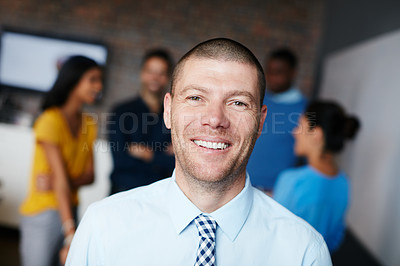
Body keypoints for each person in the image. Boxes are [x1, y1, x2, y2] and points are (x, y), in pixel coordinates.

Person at [66, 38, 332, 265]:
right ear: (168, 111)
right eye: (196, 98)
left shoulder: (304, 252)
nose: (214, 119)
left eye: (238, 102)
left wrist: (149, 155)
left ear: (260, 122)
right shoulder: (102, 226)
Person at [19, 56, 103, 266]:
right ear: (74, 80)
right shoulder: (49, 120)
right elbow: (65, 179)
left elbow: (90, 176)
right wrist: (70, 232)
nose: (99, 86)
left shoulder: (89, 124)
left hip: (71, 209)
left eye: (99, 80)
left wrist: (62, 181)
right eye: (92, 79)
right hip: (43, 214)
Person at [274, 100, 360, 252]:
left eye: (301, 126)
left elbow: (271, 234)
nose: (295, 132)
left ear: (316, 135)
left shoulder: (292, 181)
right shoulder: (343, 184)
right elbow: (335, 237)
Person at [108, 49, 175, 194]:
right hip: (123, 193)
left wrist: (148, 155)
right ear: (142, 73)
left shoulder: (173, 115)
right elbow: (121, 160)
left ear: (168, 77)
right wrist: (161, 157)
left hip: (160, 195)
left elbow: (178, 162)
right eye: (151, 71)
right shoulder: (121, 112)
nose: (155, 77)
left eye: (161, 73)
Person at [247, 48, 307, 191]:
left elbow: (307, 159)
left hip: (276, 191)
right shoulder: (257, 100)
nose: (272, 77)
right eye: (269, 72)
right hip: (243, 184)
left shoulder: (305, 109)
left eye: (279, 72)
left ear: (292, 73)